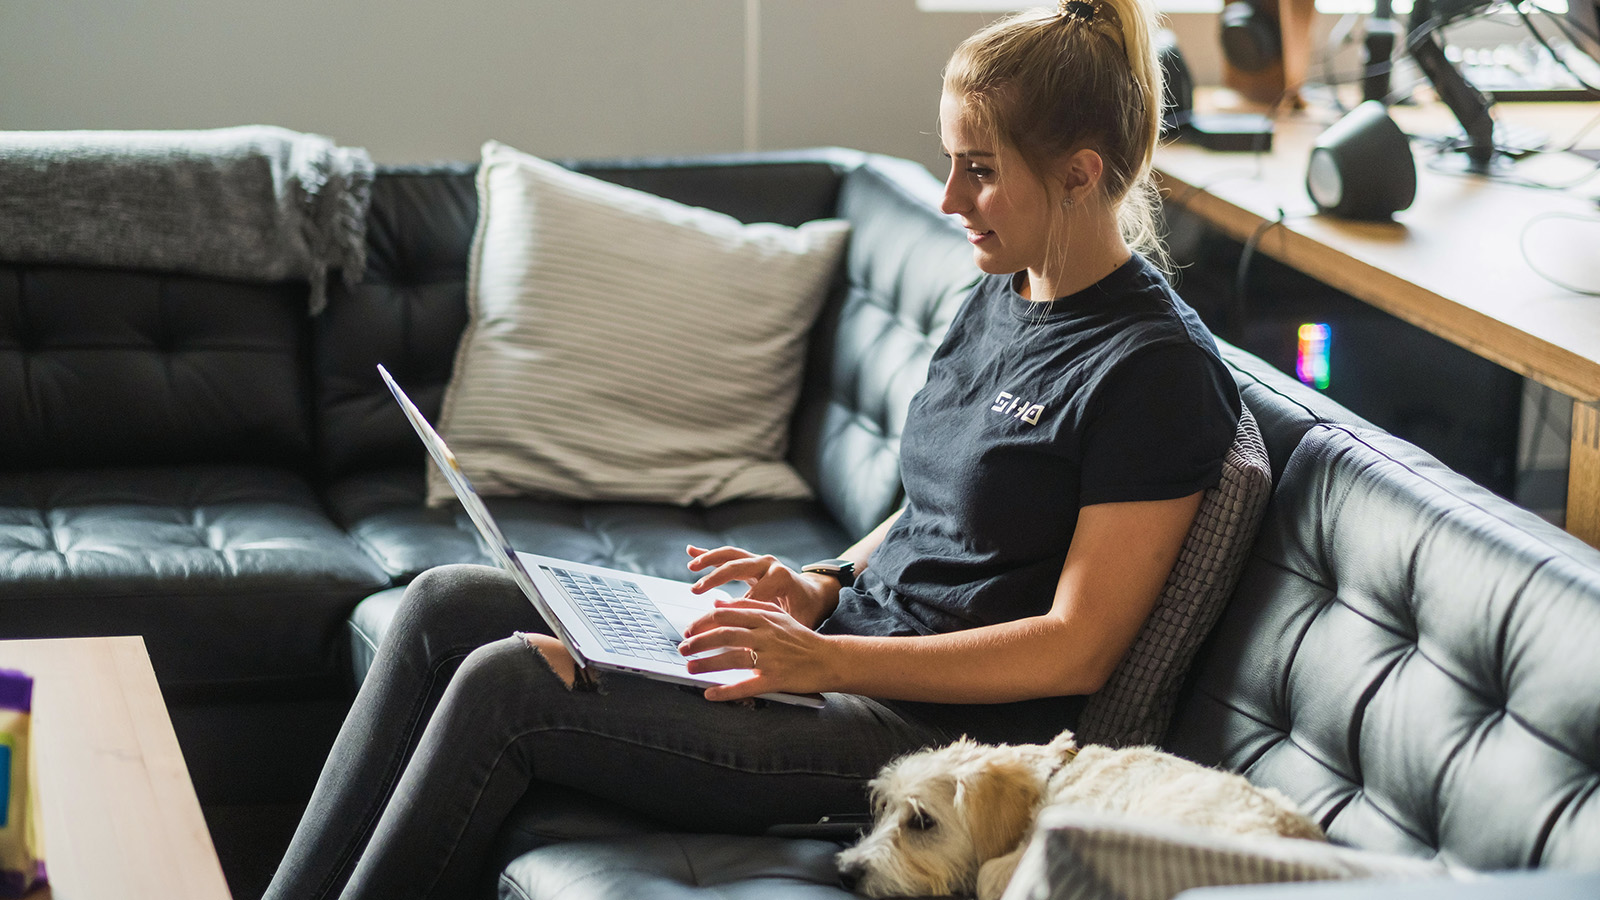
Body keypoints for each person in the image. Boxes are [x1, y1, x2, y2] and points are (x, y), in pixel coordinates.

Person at [264, 1, 1242, 897]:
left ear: (1078, 173)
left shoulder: (1152, 370)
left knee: (504, 688)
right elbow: (934, 509)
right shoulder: (1000, 290)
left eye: (980, 171)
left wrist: (822, 664)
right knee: (442, 605)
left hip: (935, 742)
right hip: (841, 654)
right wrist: (820, 583)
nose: (949, 198)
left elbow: (1077, 647)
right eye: (950, 160)